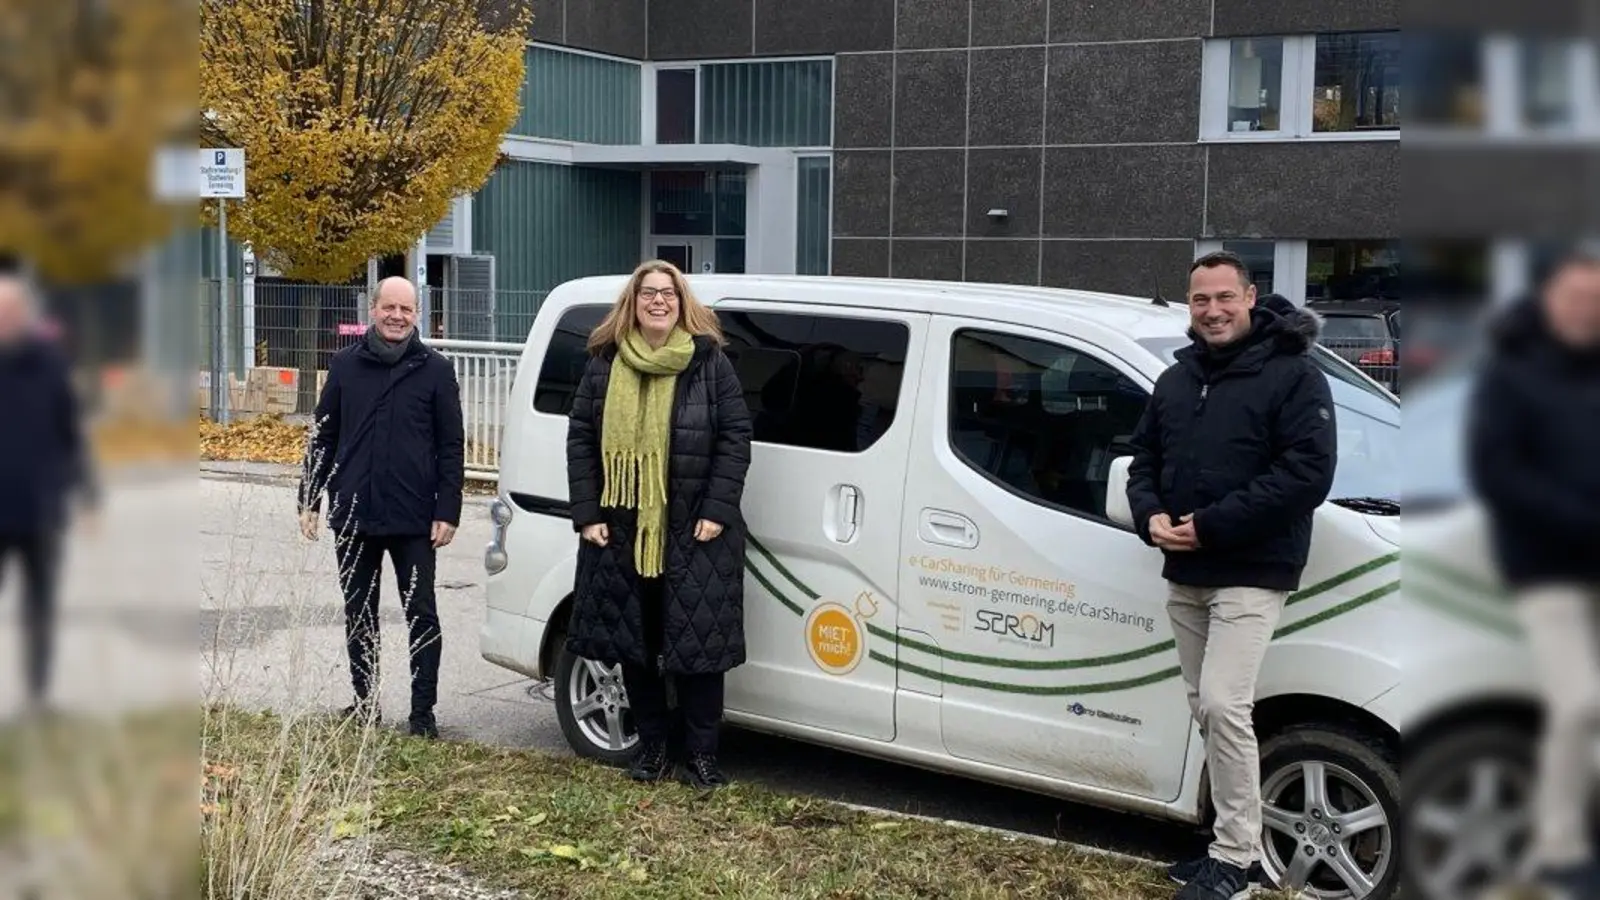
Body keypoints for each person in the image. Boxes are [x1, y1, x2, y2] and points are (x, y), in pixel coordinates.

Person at [1126, 251, 1338, 900]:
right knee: (1207, 709)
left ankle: (1237, 859)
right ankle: (1229, 845)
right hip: (1186, 569)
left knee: (1223, 703)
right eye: (1199, 300)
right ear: (1188, 307)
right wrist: (1150, 516)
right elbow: (1142, 463)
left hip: (1251, 568)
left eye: (1224, 297)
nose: (1212, 311)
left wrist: (1212, 525)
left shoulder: (1294, 376)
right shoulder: (1177, 380)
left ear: (1250, 296)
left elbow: (1308, 474)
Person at [565, 259, 753, 791]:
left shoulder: (708, 362)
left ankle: (702, 758)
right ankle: (651, 750)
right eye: (648, 293)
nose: (658, 301)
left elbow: (735, 438)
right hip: (623, 530)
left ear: (681, 301)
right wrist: (588, 513)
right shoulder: (605, 361)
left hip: (696, 530)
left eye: (668, 293)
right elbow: (581, 437)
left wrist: (717, 510)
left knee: (699, 652)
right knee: (636, 645)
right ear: (633, 300)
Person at [1467, 248, 1600, 897]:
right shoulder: (1513, 376)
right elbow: (1500, 475)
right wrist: (1580, 519)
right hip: (1546, 570)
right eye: (1576, 299)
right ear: (1549, 303)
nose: (1587, 312)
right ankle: (1560, 847)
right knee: (1577, 705)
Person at [297, 276, 465, 739]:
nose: (397, 316)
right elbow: (324, 434)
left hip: (415, 519)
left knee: (422, 614)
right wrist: (309, 496)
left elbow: (451, 445)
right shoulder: (346, 366)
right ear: (373, 310)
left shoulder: (435, 370)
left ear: (417, 315)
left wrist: (447, 509)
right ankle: (365, 703)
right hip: (355, 514)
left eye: (406, 309)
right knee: (359, 614)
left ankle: (422, 714)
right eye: (388, 307)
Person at [0, 274, 98, 714]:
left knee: (40, 607)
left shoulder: (50, 364)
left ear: (26, 315)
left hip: (40, 510)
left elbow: (71, 434)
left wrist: (89, 496)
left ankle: (37, 697)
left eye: (12, 311)